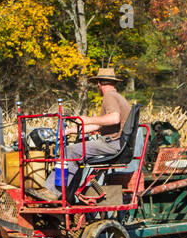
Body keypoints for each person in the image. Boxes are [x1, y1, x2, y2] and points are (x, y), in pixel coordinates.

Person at [43, 67, 132, 199]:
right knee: (77, 152)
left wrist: (88, 119)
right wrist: (71, 130)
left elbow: (114, 118)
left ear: (99, 83)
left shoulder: (109, 97)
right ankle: (69, 195)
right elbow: (100, 124)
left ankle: (52, 192)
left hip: (112, 144)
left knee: (70, 151)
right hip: (118, 144)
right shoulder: (119, 97)